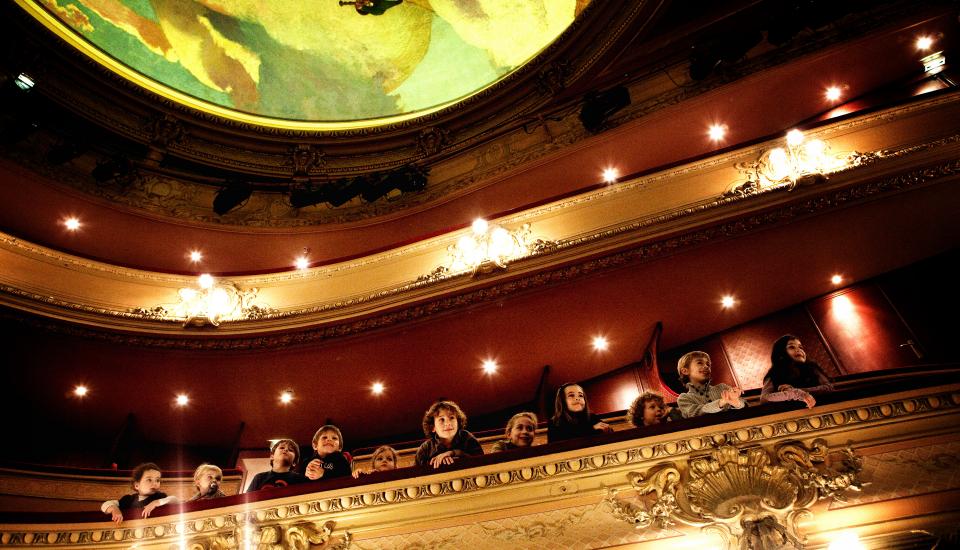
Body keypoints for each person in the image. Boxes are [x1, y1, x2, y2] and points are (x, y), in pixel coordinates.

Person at [761, 335, 834, 408]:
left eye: (800, 347)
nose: (798, 350)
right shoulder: (774, 373)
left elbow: (828, 387)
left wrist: (798, 391)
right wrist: (796, 394)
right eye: (791, 347)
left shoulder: (812, 367)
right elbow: (765, 398)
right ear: (781, 353)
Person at [100, 462, 179, 524]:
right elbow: (105, 505)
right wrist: (114, 509)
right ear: (137, 485)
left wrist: (156, 503)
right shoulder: (128, 499)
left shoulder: (159, 497)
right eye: (149, 480)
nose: (155, 483)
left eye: (157, 480)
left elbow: (175, 500)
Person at [414, 400, 483, 468]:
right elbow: (416, 472)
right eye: (442, 419)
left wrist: (454, 453)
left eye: (451, 418)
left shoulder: (467, 438)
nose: (448, 423)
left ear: (458, 423)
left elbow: (482, 462)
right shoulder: (425, 449)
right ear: (433, 427)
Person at [676, 351, 746, 418]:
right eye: (700, 363)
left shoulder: (722, 387)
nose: (706, 366)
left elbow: (744, 403)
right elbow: (694, 413)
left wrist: (737, 403)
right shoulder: (684, 398)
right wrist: (721, 402)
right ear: (685, 371)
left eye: (708, 364)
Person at [548, 383, 613, 443]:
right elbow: (562, 441)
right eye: (571, 395)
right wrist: (592, 429)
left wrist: (607, 430)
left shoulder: (592, 417)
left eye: (580, 395)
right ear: (562, 401)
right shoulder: (555, 422)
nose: (577, 398)